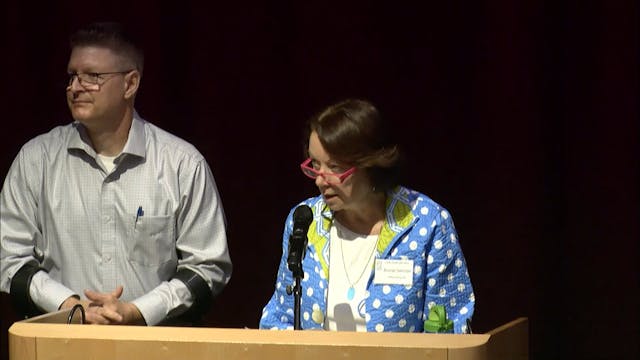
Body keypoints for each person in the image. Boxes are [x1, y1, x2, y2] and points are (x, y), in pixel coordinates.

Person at [0, 22, 232, 325]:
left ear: (130, 84)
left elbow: (207, 267)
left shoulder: (182, 164)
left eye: (93, 76)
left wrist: (137, 311)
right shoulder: (36, 161)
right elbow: (9, 259)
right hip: (62, 343)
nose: (76, 87)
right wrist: (73, 306)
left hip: (153, 347)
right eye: (72, 75)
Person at [259, 99, 474, 333]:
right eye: (316, 165)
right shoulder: (305, 220)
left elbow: (448, 331)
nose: (321, 180)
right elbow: (280, 317)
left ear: (371, 164)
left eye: (335, 167)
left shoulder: (426, 223)